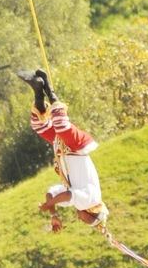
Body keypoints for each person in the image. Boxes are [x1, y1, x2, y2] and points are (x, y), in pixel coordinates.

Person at [17, 67, 107, 230]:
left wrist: (53, 213)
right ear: (90, 214)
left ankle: (38, 89)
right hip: (77, 148)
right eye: (86, 221)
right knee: (61, 125)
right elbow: (66, 196)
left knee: (40, 126)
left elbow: (52, 193)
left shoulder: (78, 199)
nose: (81, 220)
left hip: (64, 148)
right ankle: (48, 88)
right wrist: (48, 205)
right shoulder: (91, 201)